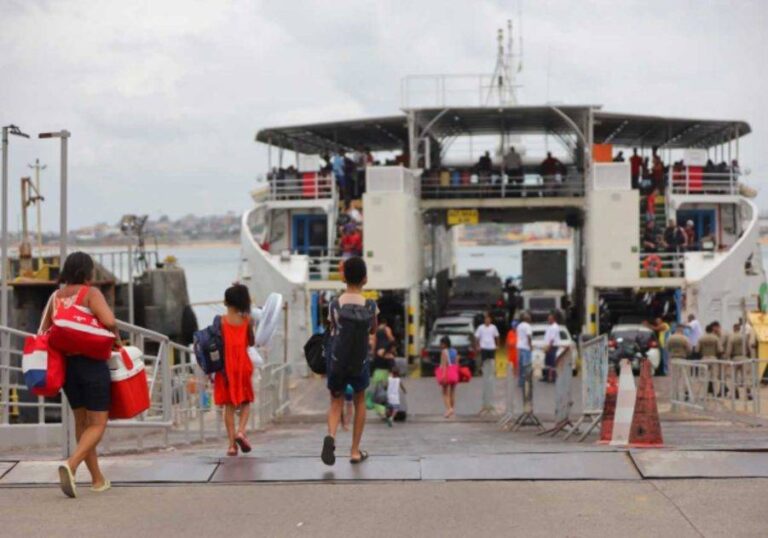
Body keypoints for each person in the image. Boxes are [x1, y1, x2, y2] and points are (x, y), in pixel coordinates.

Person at [42, 252, 119, 498]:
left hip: (68, 367)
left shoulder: (56, 297)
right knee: (98, 423)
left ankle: (97, 479)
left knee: (82, 423)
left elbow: (44, 329)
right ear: (87, 272)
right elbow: (109, 320)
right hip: (92, 364)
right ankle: (71, 464)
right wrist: (116, 338)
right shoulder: (90, 293)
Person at [323, 256, 377, 466]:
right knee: (359, 400)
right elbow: (372, 330)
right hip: (359, 360)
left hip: (338, 360)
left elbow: (332, 329)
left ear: (343, 277)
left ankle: (331, 436)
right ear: (365, 279)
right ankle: (354, 451)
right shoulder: (370, 306)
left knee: (335, 401)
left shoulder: (335, 305)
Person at [213, 284, 256, 457]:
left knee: (229, 406)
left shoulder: (220, 321)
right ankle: (241, 431)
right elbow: (251, 342)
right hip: (243, 365)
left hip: (226, 368)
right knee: (246, 401)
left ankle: (231, 445)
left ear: (226, 302)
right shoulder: (247, 321)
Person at [474, 313, 500, 415]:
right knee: (485, 364)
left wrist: (497, 345)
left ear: (490, 320)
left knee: (492, 363)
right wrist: (477, 346)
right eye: (486, 319)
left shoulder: (493, 327)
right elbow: (476, 337)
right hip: (484, 347)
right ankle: (483, 371)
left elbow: (497, 336)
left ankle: (492, 372)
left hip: (491, 348)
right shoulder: (481, 328)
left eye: (488, 319)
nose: (487, 320)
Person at [438, 335, 459, 418]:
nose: (440, 345)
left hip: (447, 373)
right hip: (454, 373)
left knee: (444, 392)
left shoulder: (444, 352)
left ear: (445, 344)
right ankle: (452, 410)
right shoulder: (455, 351)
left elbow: (444, 364)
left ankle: (449, 409)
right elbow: (456, 363)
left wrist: (443, 376)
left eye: (441, 344)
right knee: (452, 392)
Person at [516, 312, 533, 389]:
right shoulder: (528, 326)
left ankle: (520, 382)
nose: (530, 319)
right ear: (527, 319)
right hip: (526, 348)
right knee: (526, 365)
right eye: (529, 317)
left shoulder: (519, 326)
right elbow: (528, 336)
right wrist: (530, 345)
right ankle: (526, 381)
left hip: (519, 347)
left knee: (521, 366)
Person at [543, 311, 560, 383]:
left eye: (550, 319)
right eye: (548, 319)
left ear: (554, 319)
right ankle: (546, 376)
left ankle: (553, 377)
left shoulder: (555, 327)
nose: (548, 320)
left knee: (552, 362)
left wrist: (548, 348)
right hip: (548, 346)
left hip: (552, 346)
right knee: (547, 362)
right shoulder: (550, 326)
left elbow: (552, 339)